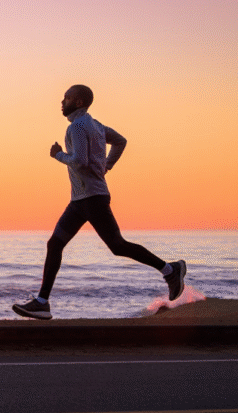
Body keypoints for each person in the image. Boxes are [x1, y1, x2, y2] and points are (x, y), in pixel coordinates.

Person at [12, 85, 185, 320]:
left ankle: (170, 270)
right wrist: (107, 165)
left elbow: (80, 161)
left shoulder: (77, 127)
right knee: (55, 245)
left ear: (80, 102)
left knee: (117, 246)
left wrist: (58, 155)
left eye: (67, 98)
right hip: (81, 201)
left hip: (92, 199)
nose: (62, 102)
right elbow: (121, 141)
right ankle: (42, 302)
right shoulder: (97, 126)